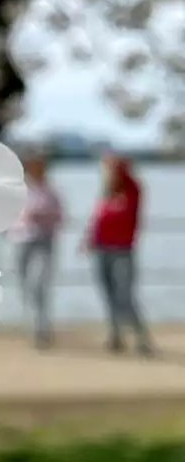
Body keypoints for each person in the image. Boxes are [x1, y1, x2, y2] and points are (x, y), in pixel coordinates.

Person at [84, 152, 154, 356]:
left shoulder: (132, 190)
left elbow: (127, 178)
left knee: (125, 296)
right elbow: (98, 219)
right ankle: (115, 336)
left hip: (123, 250)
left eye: (111, 170)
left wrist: (116, 164)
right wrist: (88, 240)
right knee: (108, 294)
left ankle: (142, 337)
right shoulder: (106, 193)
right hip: (101, 249)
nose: (108, 174)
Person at [10, 154, 63, 348]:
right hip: (22, 239)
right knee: (26, 285)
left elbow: (60, 216)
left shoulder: (50, 191)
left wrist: (43, 216)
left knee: (39, 285)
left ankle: (41, 328)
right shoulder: (20, 190)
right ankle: (33, 325)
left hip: (43, 240)